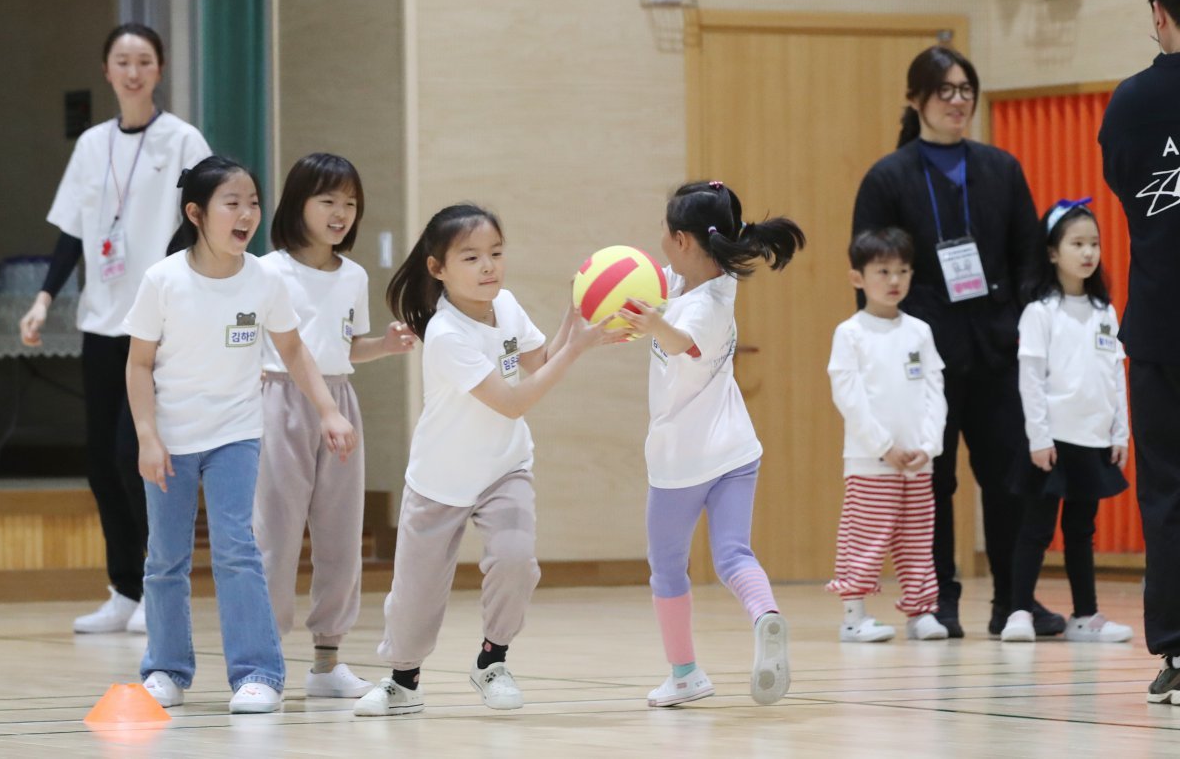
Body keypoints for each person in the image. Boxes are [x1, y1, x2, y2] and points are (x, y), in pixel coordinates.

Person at [353, 203, 619, 717]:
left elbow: (536, 363)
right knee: (416, 596)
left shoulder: (509, 306)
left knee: (517, 562)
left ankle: (492, 661)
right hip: (440, 479)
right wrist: (578, 349)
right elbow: (515, 400)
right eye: (471, 257)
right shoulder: (448, 334)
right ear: (438, 269)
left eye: (495, 253)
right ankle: (403, 682)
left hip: (505, 468)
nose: (488, 266)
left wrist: (573, 316)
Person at [124, 156, 357, 714]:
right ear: (196, 214)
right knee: (165, 559)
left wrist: (328, 410)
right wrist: (147, 437)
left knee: (238, 551)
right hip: (172, 439)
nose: (247, 213)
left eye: (253, 202)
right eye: (233, 203)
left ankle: (257, 675)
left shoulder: (265, 278)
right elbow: (137, 365)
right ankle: (166, 670)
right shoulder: (163, 280)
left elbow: (295, 351)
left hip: (236, 435)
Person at [852, 45, 1064, 638]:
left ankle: (1014, 602)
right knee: (932, 483)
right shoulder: (888, 176)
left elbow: (1029, 257)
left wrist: (1022, 324)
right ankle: (937, 599)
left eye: (966, 89)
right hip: (924, 359)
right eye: (944, 90)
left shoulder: (1000, 167)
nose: (958, 101)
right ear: (915, 99)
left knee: (1009, 479)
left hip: (997, 351)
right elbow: (871, 273)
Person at [18, 23, 211, 634]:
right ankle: (124, 590)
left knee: (138, 454)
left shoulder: (182, 140)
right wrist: (45, 298)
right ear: (107, 71)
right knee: (101, 458)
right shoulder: (92, 144)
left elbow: (206, 219)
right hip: (100, 323)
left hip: (157, 328)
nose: (133, 72)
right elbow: (73, 231)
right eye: (123, 61)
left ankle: (159, 584)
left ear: (158, 71)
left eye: (145, 61)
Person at [616, 181, 803, 706]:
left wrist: (655, 324)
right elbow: (649, 294)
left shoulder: (705, 306)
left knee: (668, 568)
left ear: (680, 239)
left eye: (663, 231)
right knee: (732, 554)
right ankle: (765, 615)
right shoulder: (694, 281)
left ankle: (685, 675)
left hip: (682, 462)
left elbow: (682, 341)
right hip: (736, 453)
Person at [254, 153, 415, 699]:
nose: (340, 212)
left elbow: (345, 347)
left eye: (350, 203)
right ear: (298, 204)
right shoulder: (267, 270)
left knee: (341, 533)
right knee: (274, 534)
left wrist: (386, 347)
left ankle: (327, 662)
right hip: (279, 398)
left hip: (339, 402)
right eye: (327, 200)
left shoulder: (354, 276)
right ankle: (265, 662)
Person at [999, 200, 1133, 644]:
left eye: (1093, 243)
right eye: (1077, 243)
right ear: (1053, 253)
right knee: (1035, 528)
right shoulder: (1041, 311)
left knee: (1082, 530)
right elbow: (1031, 380)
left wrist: (1120, 433)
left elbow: (1115, 374)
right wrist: (1038, 437)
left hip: (1092, 439)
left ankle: (1085, 615)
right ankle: (1018, 610)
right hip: (1051, 440)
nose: (1088, 252)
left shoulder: (1105, 312)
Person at [1098, 0, 1180, 702]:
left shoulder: (1132, 103)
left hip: (1161, 325)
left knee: (1168, 492)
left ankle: (1179, 654)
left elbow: (1126, 187)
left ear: (1158, 11)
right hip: (1158, 328)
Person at [826, 228, 948, 643]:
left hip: (917, 462)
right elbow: (850, 396)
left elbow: (935, 392)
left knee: (917, 541)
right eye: (883, 271)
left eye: (903, 271)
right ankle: (853, 615)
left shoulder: (919, 331)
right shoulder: (851, 333)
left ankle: (921, 612)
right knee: (865, 536)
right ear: (858, 278)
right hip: (870, 461)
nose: (894, 280)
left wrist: (928, 446)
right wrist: (883, 446)